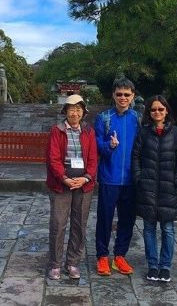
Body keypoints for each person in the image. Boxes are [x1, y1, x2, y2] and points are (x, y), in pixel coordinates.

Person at [132, 95, 177, 282]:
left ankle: (165, 265)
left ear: (166, 111)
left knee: (168, 229)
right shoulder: (144, 132)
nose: (157, 112)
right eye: (153, 109)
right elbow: (136, 156)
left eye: (160, 109)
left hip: (168, 187)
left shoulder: (176, 133)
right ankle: (152, 265)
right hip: (147, 186)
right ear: (149, 112)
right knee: (148, 228)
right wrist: (139, 177)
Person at [46, 94, 98, 280]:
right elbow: (53, 158)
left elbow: (93, 158)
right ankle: (55, 264)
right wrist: (64, 178)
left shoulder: (89, 132)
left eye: (78, 109)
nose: (75, 113)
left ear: (83, 112)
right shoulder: (57, 131)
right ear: (65, 112)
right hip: (62, 183)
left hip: (84, 184)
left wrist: (86, 178)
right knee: (58, 224)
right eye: (71, 109)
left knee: (79, 225)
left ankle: (73, 262)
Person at [94, 76, 139, 276]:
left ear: (132, 96)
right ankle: (102, 256)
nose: (122, 98)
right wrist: (108, 145)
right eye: (119, 94)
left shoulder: (137, 118)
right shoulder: (104, 118)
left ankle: (120, 255)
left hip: (131, 178)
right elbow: (95, 144)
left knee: (127, 219)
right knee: (105, 218)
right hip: (109, 177)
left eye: (126, 95)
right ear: (113, 95)